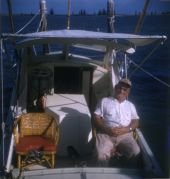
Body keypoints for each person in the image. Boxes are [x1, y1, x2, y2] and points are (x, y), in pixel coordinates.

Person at [94, 78, 140, 166]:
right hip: (106, 133)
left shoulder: (131, 106)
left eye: (125, 89)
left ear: (128, 92)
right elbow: (97, 116)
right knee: (100, 154)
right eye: (119, 88)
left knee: (135, 152)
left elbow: (136, 121)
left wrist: (127, 129)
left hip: (125, 135)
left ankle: (125, 172)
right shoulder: (104, 101)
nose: (121, 91)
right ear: (115, 88)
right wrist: (106, 128)